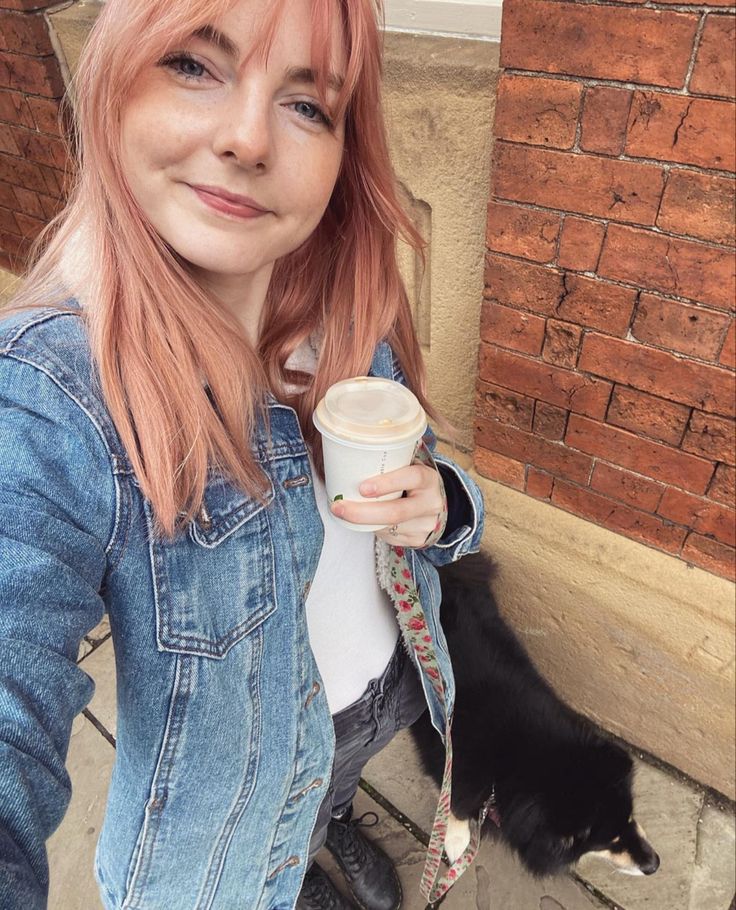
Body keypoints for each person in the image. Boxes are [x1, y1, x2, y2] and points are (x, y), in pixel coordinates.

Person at [0, 0, 484, 907]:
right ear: (111, 84)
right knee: (272, 837)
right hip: (220, 831)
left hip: (384, 698)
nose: (250, 138)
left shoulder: (349, 310)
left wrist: (447, 507)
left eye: (309, 105)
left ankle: (323, 828)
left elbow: (434, 490)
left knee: (323, 794)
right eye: (194, 65)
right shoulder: (50, 398)